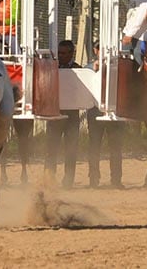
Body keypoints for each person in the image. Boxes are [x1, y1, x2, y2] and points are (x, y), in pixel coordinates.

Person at [86, 41, 124, 188]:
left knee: (115, 146)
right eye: (101, 50)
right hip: (95, 110)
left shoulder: (117, 68)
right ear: (96, 51)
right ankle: (93, 179)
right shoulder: (88, 68)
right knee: (94, 145)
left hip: (114, 111)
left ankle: (116, 179)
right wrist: (94, 69)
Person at [46, 40, 82, 188]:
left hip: (72, 116)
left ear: (71, 54)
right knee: (51, 149)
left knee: (70, 149)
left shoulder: (78, 70)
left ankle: (68, 180)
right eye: (59, 53)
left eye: (64, 53)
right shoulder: (52, 68)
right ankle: (49, 179)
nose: (61, 56)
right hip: (55, 114)